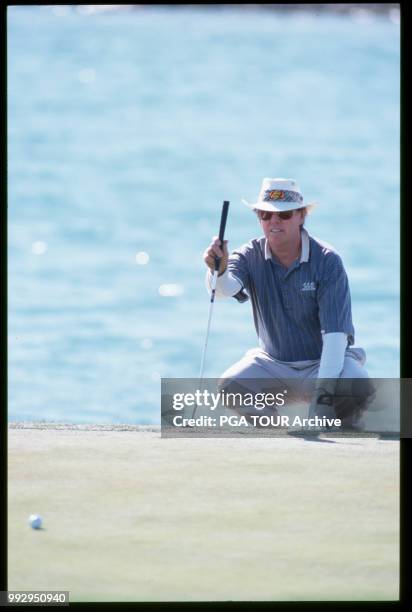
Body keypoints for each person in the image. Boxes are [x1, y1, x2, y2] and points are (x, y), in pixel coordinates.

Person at [203, 178, 372, 428]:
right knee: (230, 387)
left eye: (284, 215)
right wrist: (218, 269)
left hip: (322, 364)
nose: (273, 222)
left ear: (301, 216)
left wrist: (320, 406)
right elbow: (225, 289)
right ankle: (278, 435)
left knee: (359, 389)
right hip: (273, 365)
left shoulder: (327, 261)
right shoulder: (249, 254)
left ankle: (346, 430)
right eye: (266, 214)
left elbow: (335, 338)